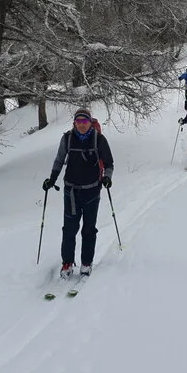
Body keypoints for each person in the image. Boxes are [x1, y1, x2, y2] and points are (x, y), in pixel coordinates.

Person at [42, 108, 113, 278]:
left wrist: (107, 177)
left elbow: (109, 163)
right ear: (74, 123)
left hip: (92, 191)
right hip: (71, 192)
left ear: (90, 122)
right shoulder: (67, 138)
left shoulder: (99, 139)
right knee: (69, 229)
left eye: (85, 121)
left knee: (89, 229)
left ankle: (86, 263)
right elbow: (59, 160)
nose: (82, 125)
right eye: (78, 122)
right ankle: (67, 263)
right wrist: (52, 179)